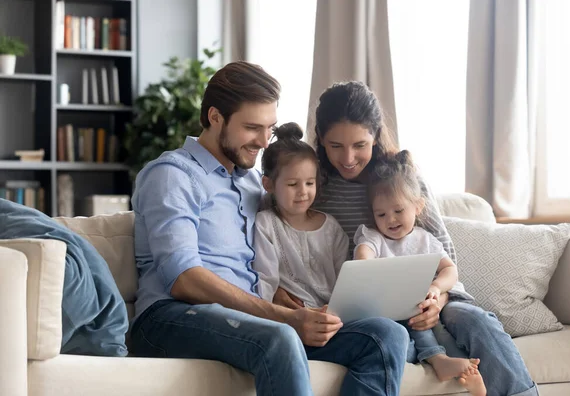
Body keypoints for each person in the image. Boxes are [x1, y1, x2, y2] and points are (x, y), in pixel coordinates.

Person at [129, 62, 409, 396]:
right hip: (170, 318)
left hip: (249, 321)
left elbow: (273, 244)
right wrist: (283, 317)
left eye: (269, 127)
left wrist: (296, 306)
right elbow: (183, 278)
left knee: (385, 335)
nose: (264, 141)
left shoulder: (253, 184)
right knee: (280, 337)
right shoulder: (173, 174)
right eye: (252, 127)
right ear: (215, 117)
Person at [274, 81, 539, 396]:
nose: (347, 158)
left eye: (360, 145)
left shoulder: (402, 179)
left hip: (433, 296)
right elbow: (276, 228)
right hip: (366, 307)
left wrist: (436, 301)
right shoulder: (310, 184)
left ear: (375, 136)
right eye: (335, 146)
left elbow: (443, 254)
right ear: (320, 140)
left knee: (476, 322)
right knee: (393, 333)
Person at [354, 150, 486, 395]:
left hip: (420, 311)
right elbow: (364, 256)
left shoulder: (425, 240)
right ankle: (439, 361)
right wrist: (365, 262)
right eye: (380, 214)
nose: (390, 220)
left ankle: (467, 374)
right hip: (386, 317)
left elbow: (450, 269)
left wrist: (436, 288)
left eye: (398, 211)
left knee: (440, 332)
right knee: (408, 337)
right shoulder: (372, 237)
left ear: (418, 207)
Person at [253, 122, 349, 307]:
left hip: (335, 316)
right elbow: (265, 281)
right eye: (292, 184)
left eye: (310, 183)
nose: (303, 192)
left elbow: (346, 282)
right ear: (268, 184)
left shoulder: (331, 228)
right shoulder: (266, 224)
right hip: (292, 317)